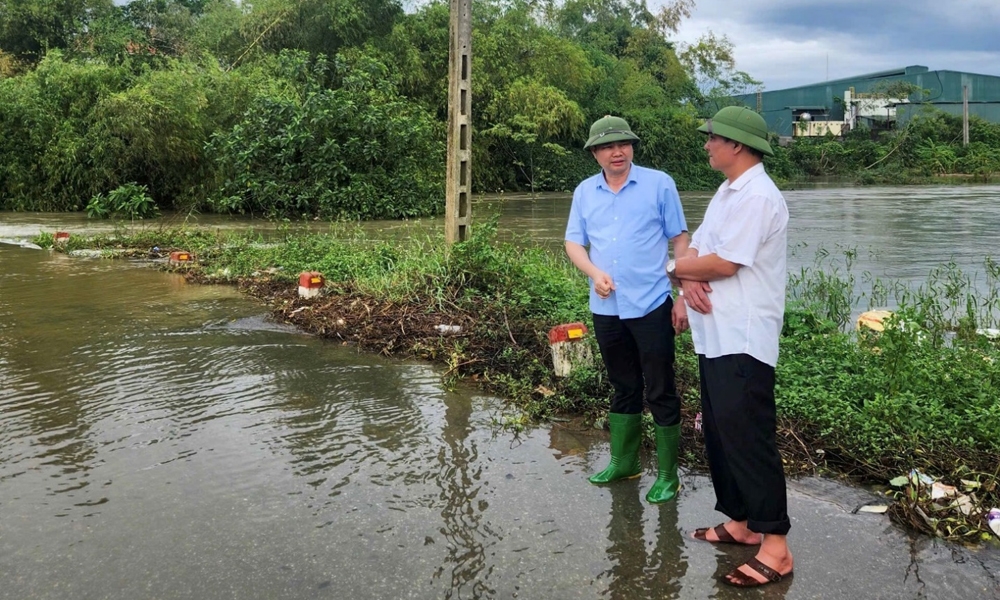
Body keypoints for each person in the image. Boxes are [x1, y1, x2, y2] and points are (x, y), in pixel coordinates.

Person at [668, 106, 793, 587]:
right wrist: (685, 278)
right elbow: (697, 248)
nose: (707, 145)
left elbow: (725, 264)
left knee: (748, 437)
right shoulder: (728, 191)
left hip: (743, 337)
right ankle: (741, 524)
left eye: (713, 138)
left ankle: (776, 546)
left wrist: (674, 272)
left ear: (737, 144)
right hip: (714, 334)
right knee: (721, 433)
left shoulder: (758, 196)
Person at [564, 115, 690, 504]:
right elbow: (573, 243)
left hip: (652, 303)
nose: (616, 152)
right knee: (622, 384)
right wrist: (593, 272)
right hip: (607, 308)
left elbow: (680, 239)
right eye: (606, 146)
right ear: (595, 154)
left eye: (623, 144)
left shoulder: (659, 184)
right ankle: (625, 461)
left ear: (632, 147)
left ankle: (669, 475)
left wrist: (683, 294)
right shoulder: (585, 192)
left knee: (661, 387)